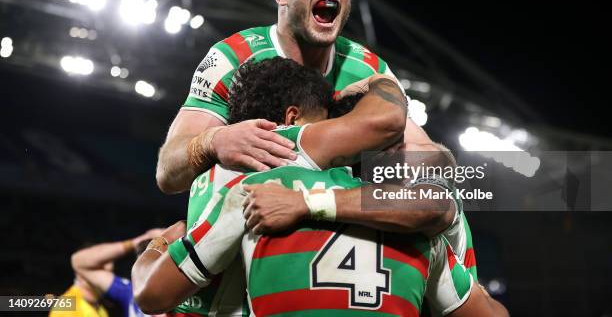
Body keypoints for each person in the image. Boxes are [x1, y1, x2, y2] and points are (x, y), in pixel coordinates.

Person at [133, 58, 507, 315]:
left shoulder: (255, 194)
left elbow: (151, 294)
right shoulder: (422, 228)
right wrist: (382, 81)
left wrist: (159, 244)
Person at [155, 0, 435, 197]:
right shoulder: (233, 57)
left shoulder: (369, 69)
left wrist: (395, 167)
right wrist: (211, 142)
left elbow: (432, 165)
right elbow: (167, 173)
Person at [51, 229, 163, 317]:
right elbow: (78, 260)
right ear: (81, 274)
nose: (106, 276)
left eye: (110, 271)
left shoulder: (100, 309)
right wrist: (136, 242)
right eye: (101, 270)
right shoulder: (66, 306)